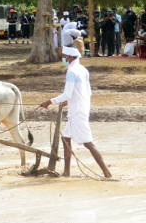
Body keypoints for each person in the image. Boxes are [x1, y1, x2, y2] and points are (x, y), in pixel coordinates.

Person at [39, 46, 111, 178]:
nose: (63, 58)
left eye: (64, 56)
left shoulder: (72, 72)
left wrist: (49, 101)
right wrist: (70, 101)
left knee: (88, 143)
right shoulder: (83, 70)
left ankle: (107, 173)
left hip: (78, 111)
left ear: (70, 57)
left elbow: (67, 94)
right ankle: (66, 172)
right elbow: (87, 92)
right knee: (65, 138)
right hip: (81, 108)